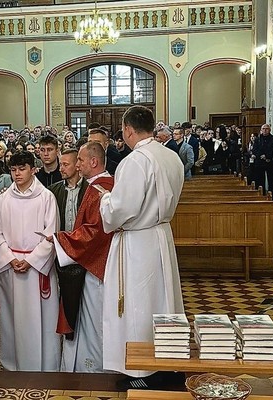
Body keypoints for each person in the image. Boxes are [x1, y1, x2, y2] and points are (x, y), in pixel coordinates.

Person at [100, 105, 185, 390]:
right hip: (161, 234)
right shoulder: (170, 156)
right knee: (163, 300)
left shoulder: (135, 161)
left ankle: (143, 369)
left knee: (140, 303)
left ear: (127, 130)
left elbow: (122, 208)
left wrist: (105, 201)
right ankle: (167, 362)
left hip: (137, 240)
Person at [0, 150, 60, 371]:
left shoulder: (46, 197)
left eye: (22, 169)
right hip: (12, 269)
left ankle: (45, 364)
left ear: (33, 169)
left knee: (41, 321)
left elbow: (52, 234)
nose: (17, 174)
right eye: (13, 170)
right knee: (13, 322)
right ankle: (13, 364)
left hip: (36, 269)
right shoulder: (4, 199)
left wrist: (31, 260)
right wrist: (10, 259)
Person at [51, 141, 114, 373]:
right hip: (94, 262)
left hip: (96, 266)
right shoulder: (98, 186)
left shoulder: (100, 189)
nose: (78, 165)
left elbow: (94, 231)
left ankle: (95, 368)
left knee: (94, 318)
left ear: (93, 162)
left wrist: (60, 239)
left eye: (80, 160)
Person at [47, 149, 88, 358]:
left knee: (86, 304)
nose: (61, 168)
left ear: (77, 166)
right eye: (60, 164)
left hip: (85, 254)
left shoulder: (90, 190)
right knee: (65, 301)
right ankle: (68, 345)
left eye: (66, 164)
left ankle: (85, 344)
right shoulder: (53, 191)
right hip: (62, 254)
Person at [252, 124, 273, 194]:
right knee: (260, 181)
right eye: (263, 129)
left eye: (267, 129)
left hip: (270, 162)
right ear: (261, 130)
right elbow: (254, 150)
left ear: (269, 130)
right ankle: (261, 195)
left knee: (271, 181)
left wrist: (267, 156)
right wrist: (261, 155)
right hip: (259, 162)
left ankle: (272, 196)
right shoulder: (257, 139)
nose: (265, 130)